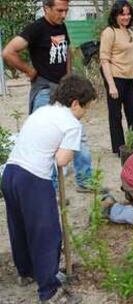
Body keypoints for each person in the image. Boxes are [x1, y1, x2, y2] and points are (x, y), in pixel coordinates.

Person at [1, 75, 96, 303]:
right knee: (47, 235)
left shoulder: (42, 111)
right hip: (33, 179)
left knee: (20, 227)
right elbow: (62, 160)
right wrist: (66, 150)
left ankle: (27, 272)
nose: (86, 112)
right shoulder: (72, 124)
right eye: (86, 107)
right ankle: (50, 291)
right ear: (75, 103)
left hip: (10, 174)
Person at [2, 0, 94, 193]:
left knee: (77, 133)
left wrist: (69, 78)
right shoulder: (35, 29)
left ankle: (85, 180)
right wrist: (29, 71)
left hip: (64, 90)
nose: (63, 15)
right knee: (48, 140)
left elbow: (67, 51)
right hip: (44, 90)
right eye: (59, 10)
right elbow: (8, 52)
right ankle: (49, 190)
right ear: (46, 8)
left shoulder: (62, 26)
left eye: (66, 11)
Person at [100, 0, 133, 156]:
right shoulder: (109, 32)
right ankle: (119, 148)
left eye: (128, 14)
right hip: (115, 77)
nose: (126, 17)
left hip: (131, 78)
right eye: (122, 14)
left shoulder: (131, 32)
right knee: (116, 114)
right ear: (116, 15)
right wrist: (111, 85)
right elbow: (104, 60)